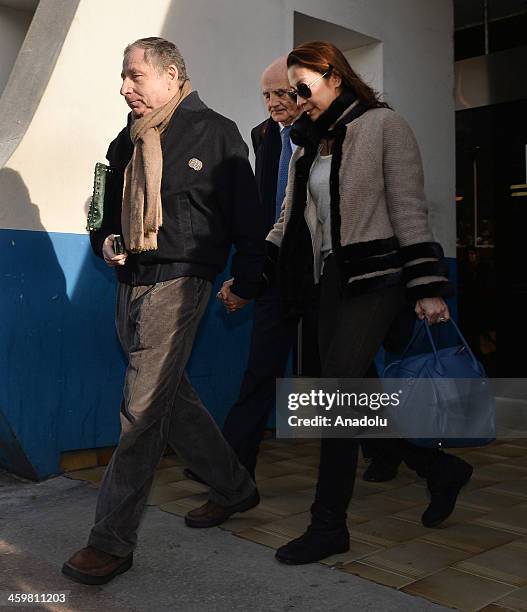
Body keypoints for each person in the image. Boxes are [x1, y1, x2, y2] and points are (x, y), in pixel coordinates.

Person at [62, 37, 265, 585]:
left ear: (172, 75)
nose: (124, 87)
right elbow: (101, 213)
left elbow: (248, 216)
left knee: (141, 409)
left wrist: (247, 278)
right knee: (170, 397)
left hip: (181, 281)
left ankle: (111, 542)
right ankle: (234, 486)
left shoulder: (216, 132)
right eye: (123, 79)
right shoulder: (124, 141)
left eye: (135, 76)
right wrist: (105, 241)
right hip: (129, 282)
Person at [262, 41, 473, 565]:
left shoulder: (383, 125)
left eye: (302, 86)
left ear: (333, 75)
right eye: (291, 90)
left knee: (335, 396)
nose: (296, 98)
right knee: (357, 401)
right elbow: (289, 217)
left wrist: (426, 287)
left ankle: (328, 525)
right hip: (329, 280)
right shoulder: (307, 142)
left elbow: (408, 207)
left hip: (379, 277)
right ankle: (440, 469)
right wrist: (254, 268)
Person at [203, 57, 319, 481]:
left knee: (348, 371)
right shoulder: (263, 135)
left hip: (321, 273)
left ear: (302, 93)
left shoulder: (325, 133)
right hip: (276, 267)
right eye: (266, 95)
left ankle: (411, 455)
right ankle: (231, 468)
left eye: (281, 94)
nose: (272, 102)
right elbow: (262, 208)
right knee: (260, 370)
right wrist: (251, 271)